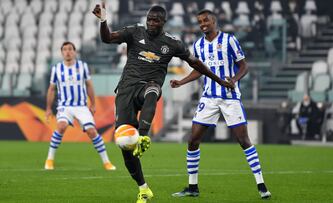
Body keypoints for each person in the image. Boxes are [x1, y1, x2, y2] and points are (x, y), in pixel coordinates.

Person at [92, 4, 234, 203]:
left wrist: (219, 80)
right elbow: (107, 38)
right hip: (125, 90)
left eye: (156, 20)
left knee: (152, 91)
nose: (151, 23)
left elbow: (196, 64)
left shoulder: (172, 43)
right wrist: (103, 20)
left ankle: (143, 136)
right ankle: (143, 189)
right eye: (149, 19)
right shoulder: (134, 32)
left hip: (149, 86)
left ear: (163, 22)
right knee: (124, 144)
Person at [170, 9, 271, 199]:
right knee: (192, 140)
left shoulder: (229, 40)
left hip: (230, 97)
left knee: (244, 141)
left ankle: (262, 185)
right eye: (200, 21)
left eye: (206, 20)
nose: (203, 24)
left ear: (214, 21)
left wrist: (234, 79)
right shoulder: (198, 44)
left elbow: (244, 66)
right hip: (209, 97)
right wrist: (181, 81)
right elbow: (200, 70)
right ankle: (193, 188)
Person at [44, 41, 116, 171]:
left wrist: (93, 103)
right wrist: (48, 109)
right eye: (65, 49)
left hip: (81, 106)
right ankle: (49, 159)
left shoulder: (82, 66)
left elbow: (89, 85)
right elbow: (51, 89)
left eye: (70, 49)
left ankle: (107, 162)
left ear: (74, 51)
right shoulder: (57, 69)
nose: (68, 51)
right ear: (62, 53)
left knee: (92, 131)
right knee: (61, 126)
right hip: (64, 106)